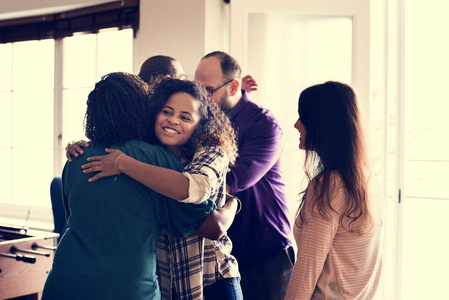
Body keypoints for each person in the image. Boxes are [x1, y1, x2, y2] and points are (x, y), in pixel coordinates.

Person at [41, 72, 222, 300]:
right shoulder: (157, 158)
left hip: (64, 283)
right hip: (128, 288)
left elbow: (72, 217)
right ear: (143, 110)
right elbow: (202, 224)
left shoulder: (75, 157)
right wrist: (233, 204)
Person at [194, 51, 294, 300]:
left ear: (234, 86)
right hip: (223, 252)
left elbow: (231, 182)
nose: (200, 99)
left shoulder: (264, 125)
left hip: (266, 252)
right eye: (196, 90)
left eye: (207, 90)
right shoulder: (200, 121)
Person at [285, 81, 384, 299]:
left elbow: (306, 273)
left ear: (322, 125)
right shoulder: (368, 178)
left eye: (303, 117)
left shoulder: (328, 187)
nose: (296, 125)